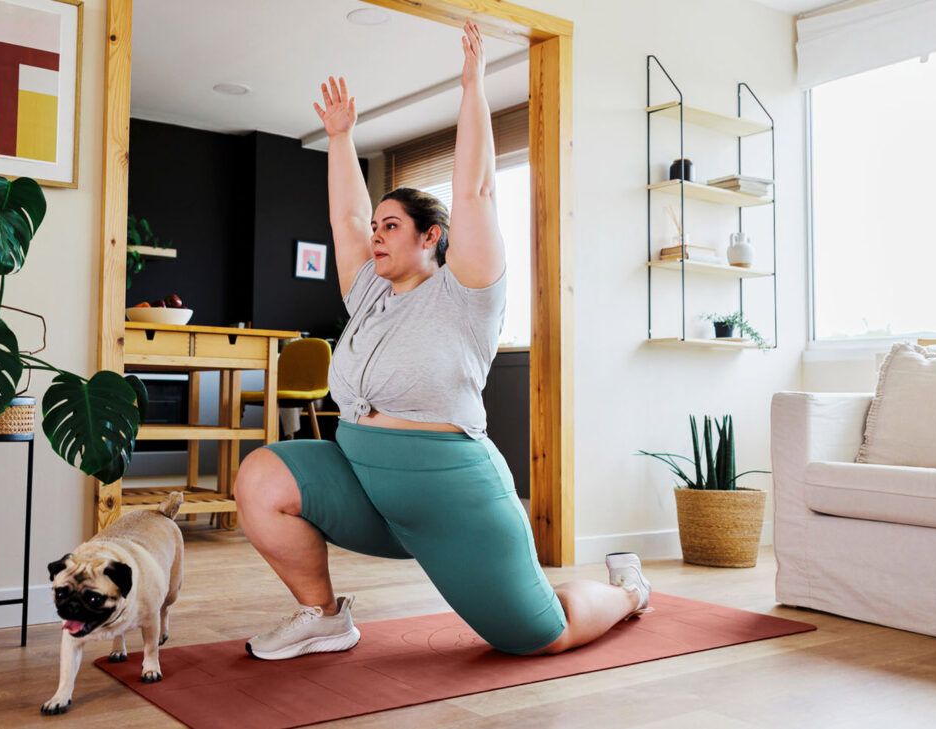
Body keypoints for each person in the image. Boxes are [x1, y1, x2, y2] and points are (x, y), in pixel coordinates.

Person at [234, 21, 651, 660]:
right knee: (263, 477)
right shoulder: (370, 292)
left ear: (430, 237)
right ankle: (322, 617)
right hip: (365, 479)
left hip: (451, 496)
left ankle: (627, 592)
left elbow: (476, 189)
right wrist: (342, 138)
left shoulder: (468, 291)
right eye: (377, 226)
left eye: (392, 226)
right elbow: (344, 218)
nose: (375, 235)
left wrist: (472, 85)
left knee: (539, 634)